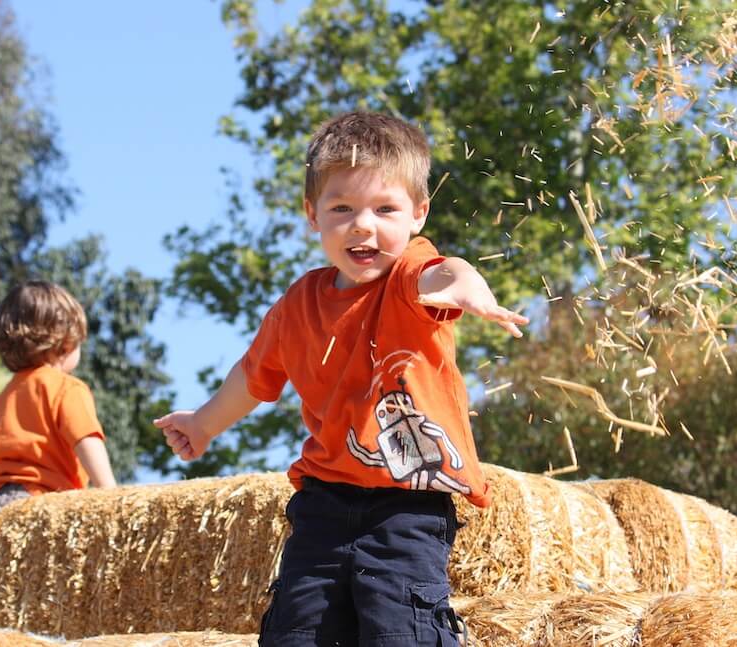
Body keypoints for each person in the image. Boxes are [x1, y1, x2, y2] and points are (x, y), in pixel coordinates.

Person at [154, 111, 528, 646]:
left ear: (418, 214)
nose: (363, 225)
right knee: (295, 633)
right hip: (323, 505)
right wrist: (204, 424)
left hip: (408, 508)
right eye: (342, 208)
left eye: (385, 209)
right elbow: (254, 376)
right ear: (313, 215)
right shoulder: (298, 304)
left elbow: (447, 270)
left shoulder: (407, 276)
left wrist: (471, 289)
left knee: (402, 631)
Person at [0, 281, 116, 549]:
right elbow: (86, 439)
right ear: (67, 341)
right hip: (41, 504)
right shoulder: (66, 387)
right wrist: (113, 494)